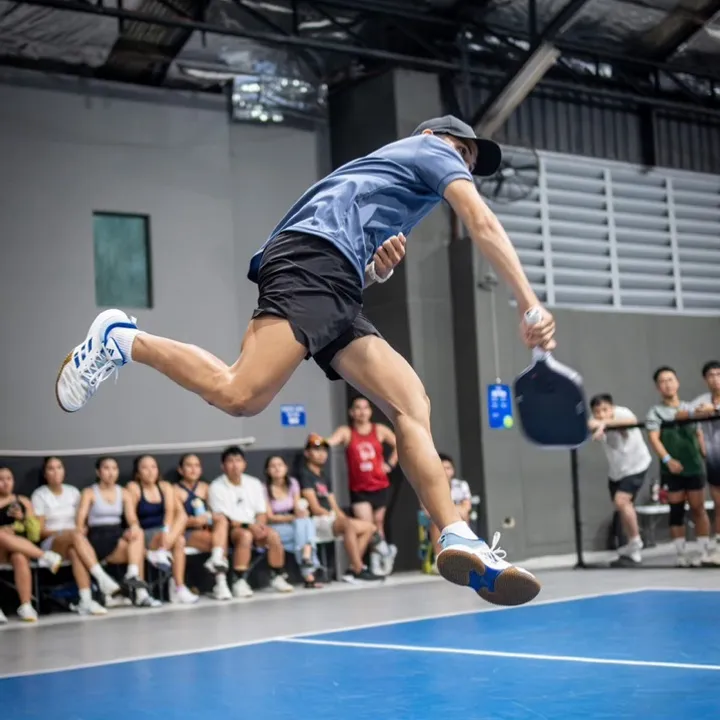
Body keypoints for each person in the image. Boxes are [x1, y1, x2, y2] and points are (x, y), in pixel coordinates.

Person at [55, 115, 556, 606]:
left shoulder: (397, 184)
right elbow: (481, 222)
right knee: (239, 393)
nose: (463, 161)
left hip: (333, 280)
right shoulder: (430, 151)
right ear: (432, 137)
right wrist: (529, 304)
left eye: (468, 157)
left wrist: (374, 271)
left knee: (411, 403)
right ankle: (122, 340)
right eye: (461, 150)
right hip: (312, 262)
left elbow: (344, 247)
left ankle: (456, 534)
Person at [31, 456, 121, 615]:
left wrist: (80, 530)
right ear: (45, 474)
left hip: (75, 541)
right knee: (74, 535)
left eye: (59, 467)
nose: (56, 472)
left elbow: (82, 521)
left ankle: (85, 600)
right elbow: (40, 532)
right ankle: (101, 577)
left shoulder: (73, 492)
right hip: (52, 544)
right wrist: (64, 533)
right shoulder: (40, 495)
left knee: (74, 550)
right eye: (51, 468)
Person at [645, 367, 713, 567]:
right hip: (672, 469)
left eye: (671, 379)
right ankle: (681, 555)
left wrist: (704, 453)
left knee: (698, 508)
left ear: (677, 382)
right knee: (676, 511)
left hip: (694, 466)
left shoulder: (690, 407)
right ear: (658, 387)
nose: (668, 384)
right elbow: (654, 439)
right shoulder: (655, 412)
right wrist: (668, 460)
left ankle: (704, 552)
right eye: (663, 381)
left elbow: (699, 433)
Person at [207, 446, 294, 598]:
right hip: (231, 529)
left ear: (244, 464)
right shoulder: (216, 486)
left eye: (238, 461)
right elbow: (224, 519)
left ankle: (277, 576)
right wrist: (249, 527)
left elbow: (261, 512)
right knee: (245, 535)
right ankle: (239, 581)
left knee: (273, 535)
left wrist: (260, 526)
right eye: (230, 461)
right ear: (223, 466)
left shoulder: (253, 483)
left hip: (253, 525)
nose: (235, 465)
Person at [327, 396, 398, 576]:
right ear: (351, 412)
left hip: (380, 485)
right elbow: (330, 441)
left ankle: (376, 561)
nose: (362, 412)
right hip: (360, 489)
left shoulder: (379, 430)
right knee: (367, 525)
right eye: (357, 408)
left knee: (378, 523)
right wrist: (318, 442)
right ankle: (380, 554)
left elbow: (400, 444)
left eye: (365, 408)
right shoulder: (346, 432)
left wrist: (389, 465)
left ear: (370, 411)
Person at [299, 433, 383, 583]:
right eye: (316, 450)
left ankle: (352, 569)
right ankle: (358, 569)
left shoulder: (323, 476)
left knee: (369, 527)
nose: (321, 454)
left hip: (330, 519)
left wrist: (342, 517)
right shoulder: (305, 474)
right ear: (307, 453)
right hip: (314, 522)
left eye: (324, 450)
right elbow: (315, 508)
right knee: (348, 525)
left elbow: (333, 504)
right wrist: (338, 518)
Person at [587, 394, 652, 565]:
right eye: (597, 411)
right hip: (616, 471)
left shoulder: (623, 413)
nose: (601, 414)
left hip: (636, 465)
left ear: (613, 408)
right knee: (622, 506)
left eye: (605, 409)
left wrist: (603, 424)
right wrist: (599, 424)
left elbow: (631, 422)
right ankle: (633, 547)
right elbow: (590, 424)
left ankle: (636, 542)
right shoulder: (594, 420)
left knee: (621, 501)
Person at [126, 455, 198, 604]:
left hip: (165, 532)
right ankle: (161, 555)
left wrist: (166, 530)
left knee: (180, 532)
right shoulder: (133, 487)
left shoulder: (165, 486)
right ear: (138, 473)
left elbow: (170, 511)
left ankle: (179, 588)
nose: (150, 471)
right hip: (145, 534)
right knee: (178, 540)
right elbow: (131, 516)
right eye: (145, 468)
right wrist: (136, 527)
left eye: (153, 467)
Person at [0, 466, 63, 622]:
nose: (5, 483)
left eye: (9, 479)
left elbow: (35, 534)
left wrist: (23, 518)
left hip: (21, 546)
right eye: (1, 479)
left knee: (20, 557)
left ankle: (26, 605)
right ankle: (45, 556)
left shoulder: (23, 501)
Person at [264, 455, 323, 588]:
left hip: (294, 524)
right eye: (273, 466)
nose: (277, 468)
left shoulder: (293, 483)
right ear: (267, 471)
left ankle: (307, 560)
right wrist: (294, 517)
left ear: (286, 468)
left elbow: (297, 508)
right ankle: (308, 568)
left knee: (305, 522)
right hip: (276, 526)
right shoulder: (264, 489)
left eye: (280, 465)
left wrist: (302, 512)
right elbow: (270, 517)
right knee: (303, 531)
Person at [690, 361, 720, 564]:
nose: (716, 379)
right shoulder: (700, 401)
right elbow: (683, 414)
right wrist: (697, 413)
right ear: (705, 379)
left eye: (719, 374)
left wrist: (715, 409)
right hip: (714, 458)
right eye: (711, 375)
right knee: (719, 503)